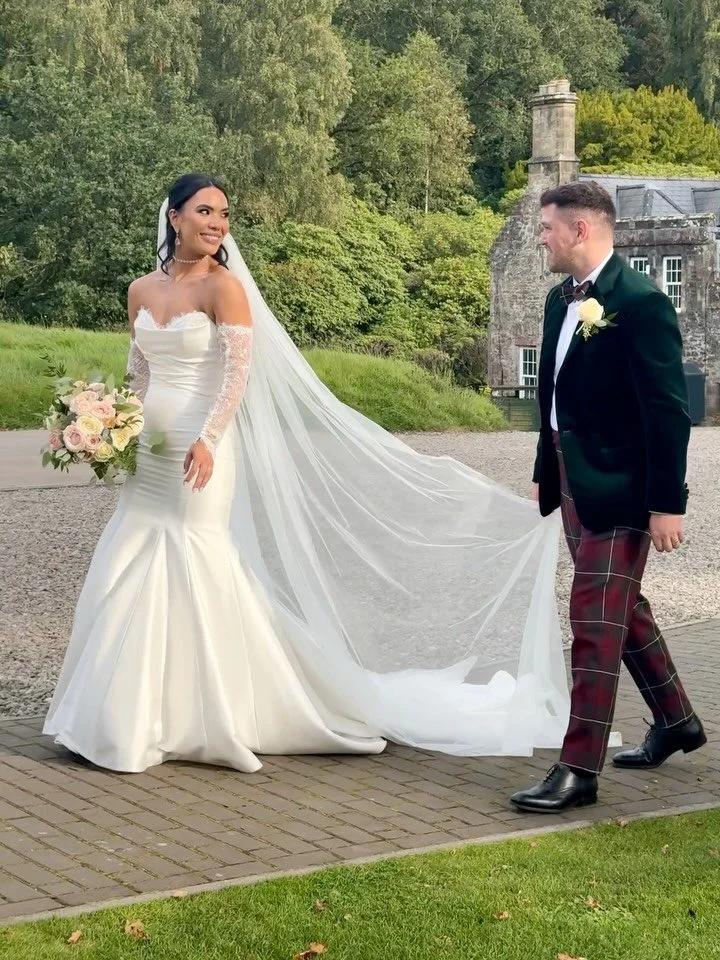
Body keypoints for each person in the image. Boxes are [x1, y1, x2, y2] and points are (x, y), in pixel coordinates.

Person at [44, 173, 569, 774]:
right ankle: (126, 713)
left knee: (194, 560)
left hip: (202, 449)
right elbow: (139, 374)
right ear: (174, 217)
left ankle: (212, 714)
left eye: (224, 214)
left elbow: (236, 374)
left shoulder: (224, 288)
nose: (217, 224)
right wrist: (113, 428)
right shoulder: (140, 289)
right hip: (151, 454)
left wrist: (209, 440)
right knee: (129, 558)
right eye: (205, 211)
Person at [510, 181, 706, 814]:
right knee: (620, 607)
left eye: (547, 228)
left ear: (581, 229)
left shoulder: (642, 303)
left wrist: (668, 502)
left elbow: (668, 411)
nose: (540, 238)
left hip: (624, 487)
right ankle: (676, 719)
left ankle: (578, 769)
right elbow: (552, 398)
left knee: (593, 619)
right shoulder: (558, 300)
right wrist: (546, 470)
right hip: (573, 477)